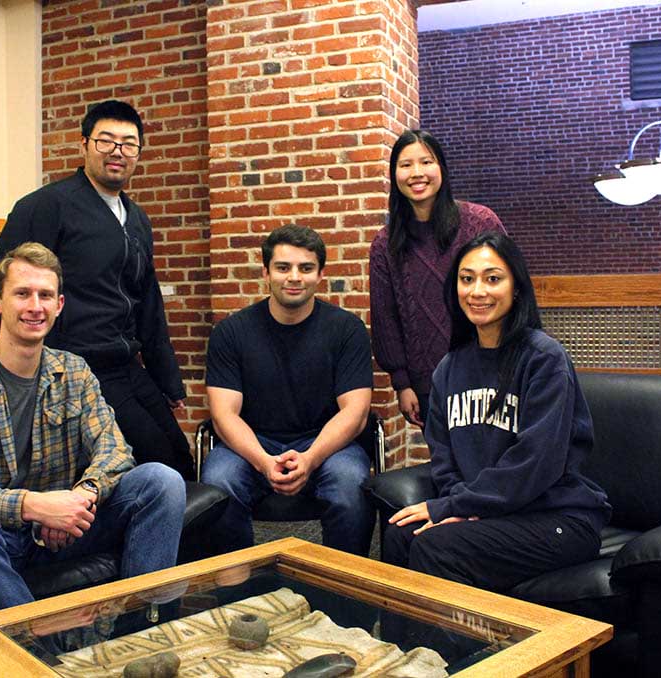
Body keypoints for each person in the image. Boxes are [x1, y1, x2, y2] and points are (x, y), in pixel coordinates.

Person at [0, 243, 185, 615]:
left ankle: (141, 632)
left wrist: (80, 498)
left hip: (62, 529)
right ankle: (33, 657)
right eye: (22, 294)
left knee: (161, 480)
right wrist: (33, 506)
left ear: (59, 305)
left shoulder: (74, 371)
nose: (35, 306)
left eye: (46, 295)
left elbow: (115, 451)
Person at [0, 99, 194, 480]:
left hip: (127, 364)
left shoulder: (136, 218)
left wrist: (167, 378)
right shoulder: (46, 206)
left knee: (181, 458)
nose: (117, 152)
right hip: (78, 368)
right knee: (158, 464)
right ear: (85, 144)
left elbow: (148, 305)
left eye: (128, 143)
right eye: (106, 141)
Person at [383, 231, 610, 592]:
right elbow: (444, 458)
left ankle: (454, 651)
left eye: (493, 279)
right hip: (491, 515)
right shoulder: (449, 368)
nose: (477, 291)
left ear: (516, 287)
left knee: (435, 546)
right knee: (400, 533)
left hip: (557, 518)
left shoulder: (544, 359)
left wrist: (460, 507)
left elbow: (536, 462)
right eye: (467, 279)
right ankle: (403, 650)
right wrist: (462, 506)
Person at [201, 225, 375, 557]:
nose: (294, 277)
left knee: (350, 485)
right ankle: (238, 592)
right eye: (283, 267)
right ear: (266, 272)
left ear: (320, 274)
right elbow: (224, 415)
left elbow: (355, 412)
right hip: (252, 443)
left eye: (305, 268)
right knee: (219, 482)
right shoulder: (231, 333)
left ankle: (346, 595)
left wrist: (310, 458)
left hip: (326, 443)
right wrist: (264, 462)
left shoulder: (347, 330)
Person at [370, 130, 506, 428]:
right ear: (394, 175)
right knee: (448, 467)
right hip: (429, 383)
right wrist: (402, 383)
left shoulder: (480, 222)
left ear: (441, 167)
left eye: (426, 162)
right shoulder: (385, 244)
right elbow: (386, 318)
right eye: (405, 165)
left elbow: (511, 289)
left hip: (493, 371)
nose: (417, 173)